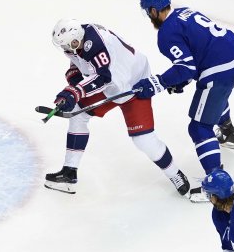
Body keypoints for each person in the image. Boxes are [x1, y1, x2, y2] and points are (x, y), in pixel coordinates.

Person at [45, 19, 190, 196]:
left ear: (77, 39)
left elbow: (102, 77)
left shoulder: (95, 44)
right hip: (112, 85)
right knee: (77, 113)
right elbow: (80, 62)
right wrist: (74, 83)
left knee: (144, 140)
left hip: (134, 84)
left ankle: (174, 173)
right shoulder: (78, 39)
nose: (67, 49)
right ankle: (69, 174)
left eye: (69, 45)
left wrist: (75, 91)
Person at [133, 0, 234, 199]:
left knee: (199, 127)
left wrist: (160, 82)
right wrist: (181, 79)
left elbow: (186, 68)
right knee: (215, 96)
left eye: (148, 12)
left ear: (153, 11)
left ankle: (218, 185)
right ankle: (229, 132)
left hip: (219, 70)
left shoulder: (166, 34)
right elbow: (196, 55)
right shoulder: (185, 11)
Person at [202, 169, 234, 251]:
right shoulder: (218, 216)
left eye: (208, 195)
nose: (208, 199)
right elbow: (228, 245)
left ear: (216, 196)